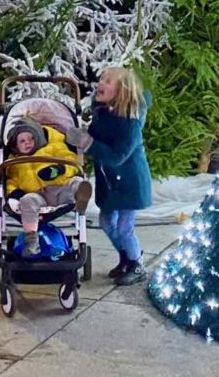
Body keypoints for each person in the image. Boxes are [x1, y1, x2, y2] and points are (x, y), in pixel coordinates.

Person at [72, 66, 151, 286]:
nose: (101, 83)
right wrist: (84, 134)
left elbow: (118, 156)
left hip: (130, 182)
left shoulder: (131, 122)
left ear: (122, 91)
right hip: (109, 181)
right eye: (101, 79)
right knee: (107, 223)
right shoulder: (103, 112)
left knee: (125, 227)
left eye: (108, 81)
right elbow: (97, 136)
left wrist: (88, 143)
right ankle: (126, 256)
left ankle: (137, 263)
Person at [3, 114, 92, 255]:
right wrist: (14, 193)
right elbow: (11, 181)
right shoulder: (15, 162)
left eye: (32, 138)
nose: (28, 142)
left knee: (76, 182)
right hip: (38, 197)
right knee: (27, 201)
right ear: (15, 145)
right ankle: (31, 241)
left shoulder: (53, 148)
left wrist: (59, 169)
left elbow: (72, 160)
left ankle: (81, 197)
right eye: (22, 141)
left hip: (61, 188)